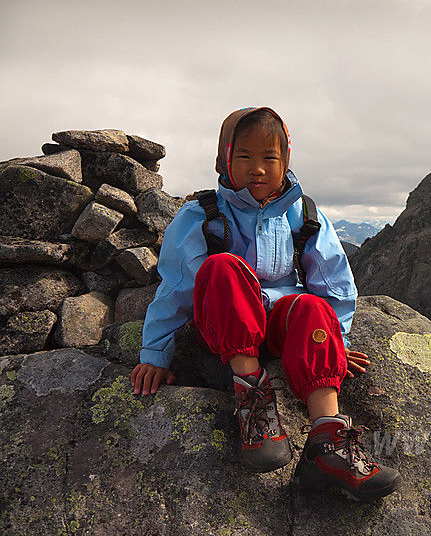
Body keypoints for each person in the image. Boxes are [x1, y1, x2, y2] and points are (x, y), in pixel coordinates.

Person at [130, 106, 401, 501]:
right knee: (223, 267)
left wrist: (332, 342)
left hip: (276, 327)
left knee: (312, 307)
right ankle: (253, 402)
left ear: (285, 162)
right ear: (225, 159)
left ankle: (328, 442)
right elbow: (175, 289)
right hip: (224, 325)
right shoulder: (202, 216)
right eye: (245, 157)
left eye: (269, 158)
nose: (257, 169)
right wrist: (154, 354)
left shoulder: (302, 213)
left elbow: (335, 284)